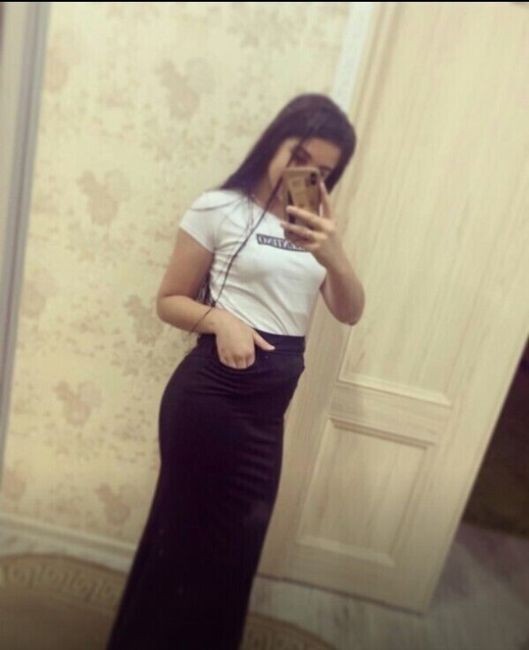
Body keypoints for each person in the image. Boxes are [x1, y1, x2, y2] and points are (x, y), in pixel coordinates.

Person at [105, 93, 361, 650]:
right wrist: (221, 320)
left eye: (321, 172)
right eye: (298, 156)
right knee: (182, 544)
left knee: (236, 553)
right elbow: (168, 299)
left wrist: (336, 253)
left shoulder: (315, 232)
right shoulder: (218, 209)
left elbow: (350, 311)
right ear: (274, 142)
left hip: (265, 419)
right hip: (210, 401)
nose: (304, 174)